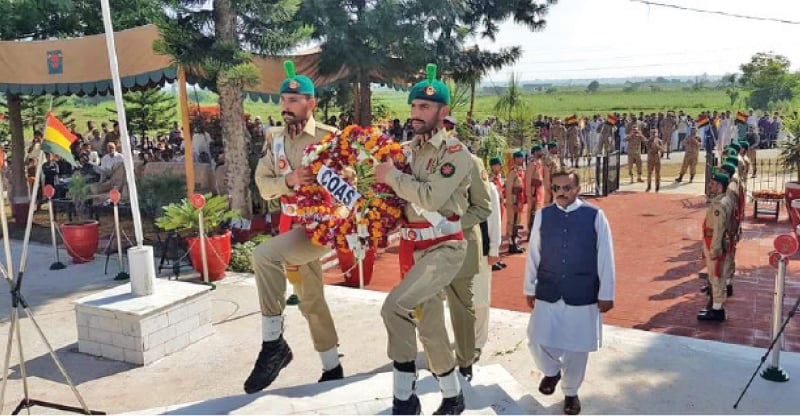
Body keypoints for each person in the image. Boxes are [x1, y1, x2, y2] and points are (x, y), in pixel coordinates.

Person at [374, 63, 473, 415]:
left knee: (394, 307)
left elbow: (430, 198)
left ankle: (404, 397)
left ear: (442, 112)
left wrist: (390, 177)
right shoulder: (406, 151)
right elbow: (397, 200)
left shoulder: (456, 154)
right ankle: (453, 395)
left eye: (425, 107)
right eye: (414, 106)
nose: (416, 113)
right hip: (412, 247)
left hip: (445, 247)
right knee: (430, 325)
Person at [246, 60, 342, 394]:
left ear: (310, 103)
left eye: (294, 100)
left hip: (318, 228)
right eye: (284, 100)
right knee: (311, 300)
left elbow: (348, 188)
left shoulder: (330, 139)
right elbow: (262, 184)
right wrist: (288, 180)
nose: (286, 106)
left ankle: (273, 344)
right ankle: (334, 367)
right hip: (290, 225)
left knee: (263, 256)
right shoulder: (274, 140)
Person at [524, 169, 616, 416]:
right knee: (535, 339)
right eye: (556, 188)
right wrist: (529, 286)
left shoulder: (595, 216)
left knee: (577, 348)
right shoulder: (543, 216)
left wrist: (606, 292)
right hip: (549, 287)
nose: (561, 193)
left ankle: (571, 392)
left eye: (567, 188)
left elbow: (605, 256)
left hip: (582, 290)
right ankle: (551, 371)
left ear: (577, 189)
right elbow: (534, 253)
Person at [423, 151, 491, 383]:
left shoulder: (471, 161)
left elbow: (483, 207)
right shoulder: (422, 159)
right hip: (426, 245)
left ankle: (465, 361)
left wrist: (449, 226)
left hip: (461, 244)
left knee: (462, 309)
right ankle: (439, 361)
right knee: (428, 307)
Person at [699, 171, 733, 322]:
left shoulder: (719, 205)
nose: (709, 186)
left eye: (712, 184)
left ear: (719, 186)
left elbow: (719, 229)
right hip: (711, 239)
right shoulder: (723, 200)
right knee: (716, 275)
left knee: (716, 276)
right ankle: (717, 306)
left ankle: (717, 310)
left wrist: (714, 249)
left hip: (713, 241)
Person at [505, 150, 527, 254]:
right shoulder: (513, 172)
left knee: (517, 221)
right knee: (511, 222)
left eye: (521, 158)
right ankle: (511, 244)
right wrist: (510, 202)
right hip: (513, 199)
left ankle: (515, 242)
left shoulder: (521, 171)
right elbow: (509, 188)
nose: (520, 160)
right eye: (518, 158)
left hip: (519, 199)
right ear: (515, 159)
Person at [525, 145, 545, 241]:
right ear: (535, 152)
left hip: (539, 191)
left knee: (538, 211)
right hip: (533, 192)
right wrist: (529, 194)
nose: (541, 152)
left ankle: (536, 230)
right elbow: (528, 180)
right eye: (539, 151)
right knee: (531, 211)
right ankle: (530, 231)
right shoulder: (532, 164)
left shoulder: (539, 163)